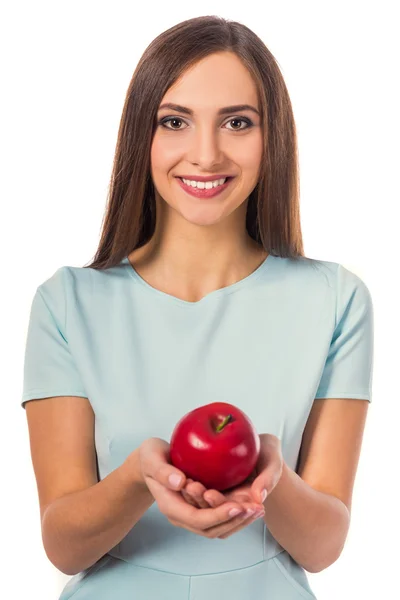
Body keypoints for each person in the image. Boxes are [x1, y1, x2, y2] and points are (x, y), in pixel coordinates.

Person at [21, 15, 374, 600]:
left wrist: (273, 481)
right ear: (144, 135)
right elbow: (62, 543)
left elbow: (323, 547)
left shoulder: (335, 301)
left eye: (237, 122)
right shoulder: (67, 304)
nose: (205, 154)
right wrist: (138, 477)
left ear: (272, 137)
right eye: (175, 121)